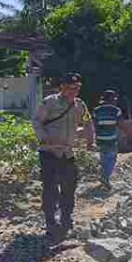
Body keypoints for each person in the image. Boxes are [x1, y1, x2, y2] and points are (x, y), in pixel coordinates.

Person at [32, 72, 95, 238]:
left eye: (77, 88)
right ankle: (50, 221)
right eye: (70, 88)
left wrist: (90, 141)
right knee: (50, 189)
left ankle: (66, 219)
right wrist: (44, 139)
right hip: (49, 153)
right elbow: (36, 121)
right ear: (62, 87)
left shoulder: (80, 105)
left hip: (67, 153)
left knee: (69, 188)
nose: (74, 91)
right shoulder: (50, 102)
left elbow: (88, 122)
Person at [93, 89, 123, 188]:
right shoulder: (116, 110)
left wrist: (96, 136)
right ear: (112, 99)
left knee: (104, 158)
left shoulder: (96, 110)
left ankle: (104, 176)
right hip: (111, 138)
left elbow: (95, 125)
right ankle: (105, 177)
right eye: (115, 98)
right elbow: (120, 124)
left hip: (100, 138)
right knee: (112, 158)